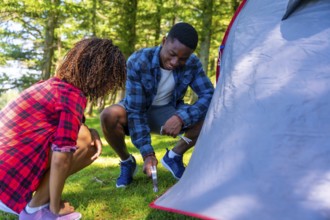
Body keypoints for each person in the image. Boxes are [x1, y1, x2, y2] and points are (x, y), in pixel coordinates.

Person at [0, 38, 126, 219]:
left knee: (87, 135)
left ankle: (39, 203)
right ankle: (37, 210)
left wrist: (94, 132)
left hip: (5, 176)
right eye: (111, 80)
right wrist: (56, 206)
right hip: (8, 189)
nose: (110, 87)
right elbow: (61, 156)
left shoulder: (53, 86)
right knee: (84, 139)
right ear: (100, 75)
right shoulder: (71, 96)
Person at [100, 22, 214, 188]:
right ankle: (127, 161)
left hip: (167, 110)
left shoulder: (193, 63)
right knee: (108, 115)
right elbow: (136, 111)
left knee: (211, 115)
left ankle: (174, 156)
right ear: (164, 41)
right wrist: (147, 153)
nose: (175, 62)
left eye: (182, 58)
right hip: (137, 109)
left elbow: (209, 94)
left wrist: (181, 117)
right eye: (172, 54)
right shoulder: (138, 61)